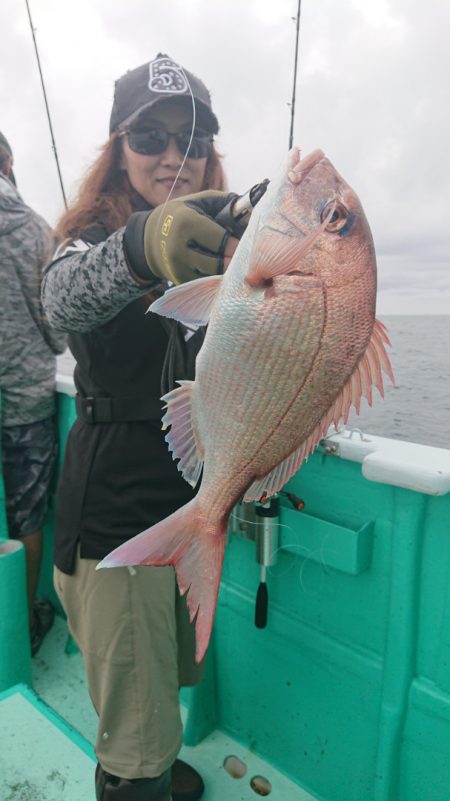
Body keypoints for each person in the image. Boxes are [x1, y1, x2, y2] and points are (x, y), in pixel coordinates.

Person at [41, 54, 240, 801]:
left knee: (162, 679)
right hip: (117, 522)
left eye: (189, 138)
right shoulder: (89, 235)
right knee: (133, 735)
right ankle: (134, 780)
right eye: (148, 137)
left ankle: (151, 763)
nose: (171, 156)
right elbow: (61, 301)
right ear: (118, 150)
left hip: (190, 513)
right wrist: (140, 247)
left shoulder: (229, 234)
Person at [0, 131, 66, 656]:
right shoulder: (33, 229)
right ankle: (23, 626)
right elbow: (58, 330)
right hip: (24, 399)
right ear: (9, 163)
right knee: (27, 517)